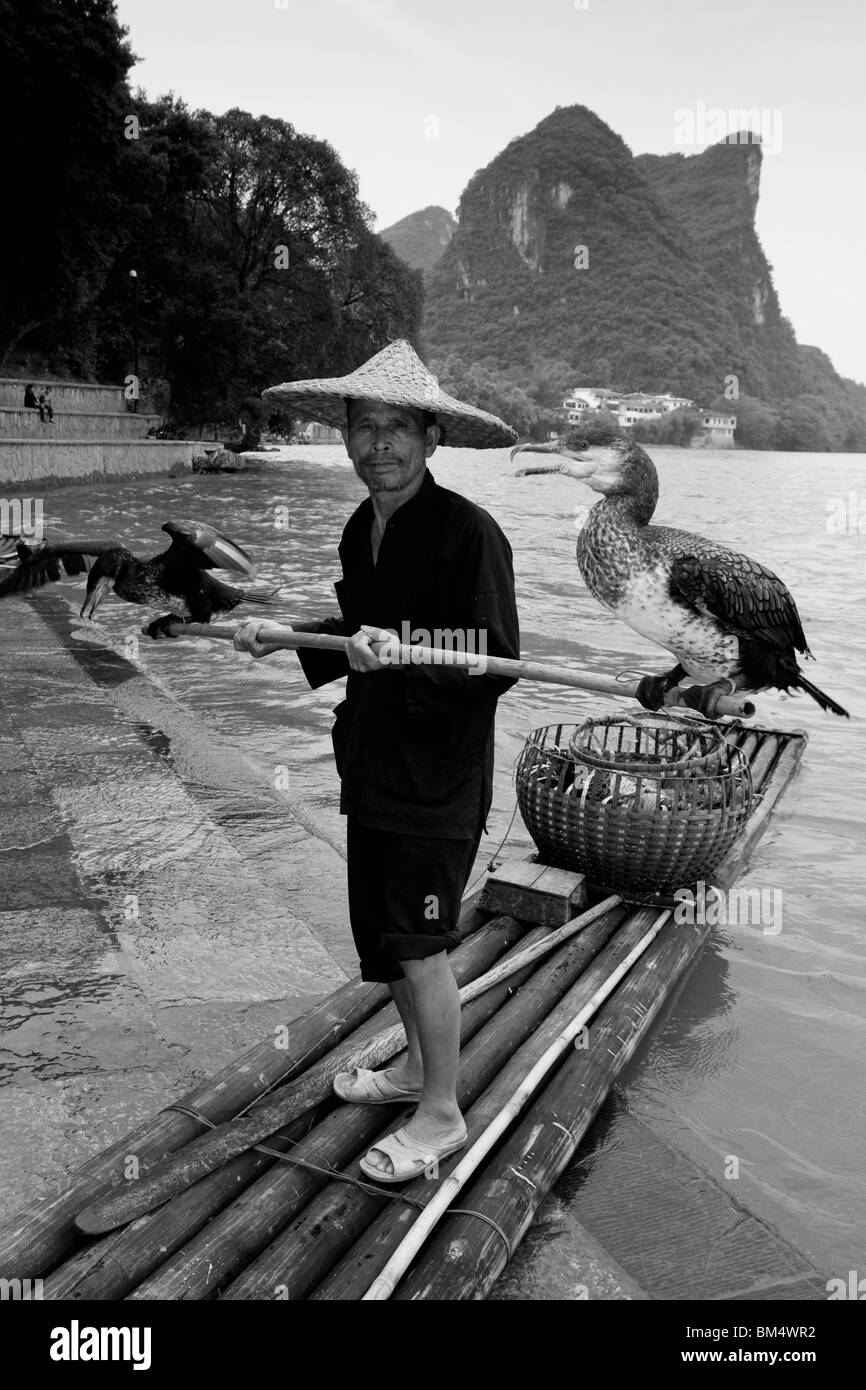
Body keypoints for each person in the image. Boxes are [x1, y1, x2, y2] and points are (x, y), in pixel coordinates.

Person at [233, 340, 520, 1183]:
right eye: (364, 428)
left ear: (431, 437)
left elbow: (495, 657)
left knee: (423, 944)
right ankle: (406, 1077)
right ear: (346, 435)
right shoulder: (364, 527)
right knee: (388, 943)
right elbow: (353, 629)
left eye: (397, 428)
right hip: (373, 764)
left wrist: (406, 650)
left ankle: (441, 1113)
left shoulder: (471, 534)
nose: (378, 445)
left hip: (437, 777)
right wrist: (276, 630)